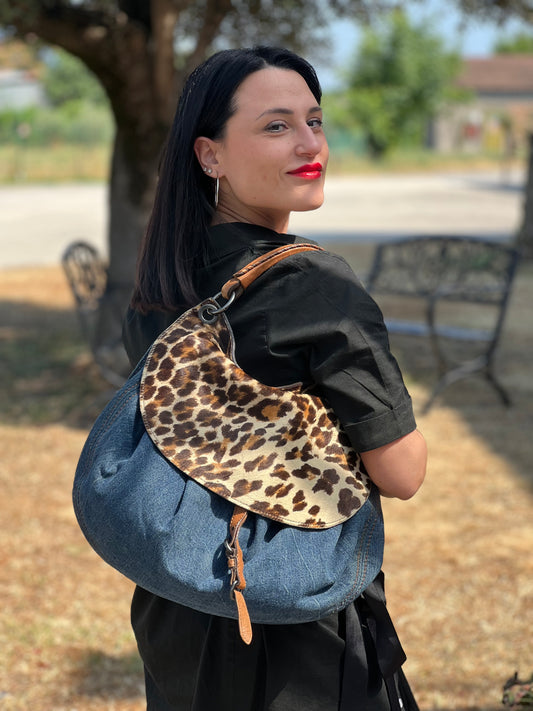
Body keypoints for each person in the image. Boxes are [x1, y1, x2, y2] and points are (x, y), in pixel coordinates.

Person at [123, 46, 427, 711]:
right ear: (209, 155)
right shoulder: (313, 285)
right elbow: (402, 472)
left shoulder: (159, 291)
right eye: (276, 125)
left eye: (314, 121)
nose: (308, 143)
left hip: (177, 607)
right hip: (292, 621)